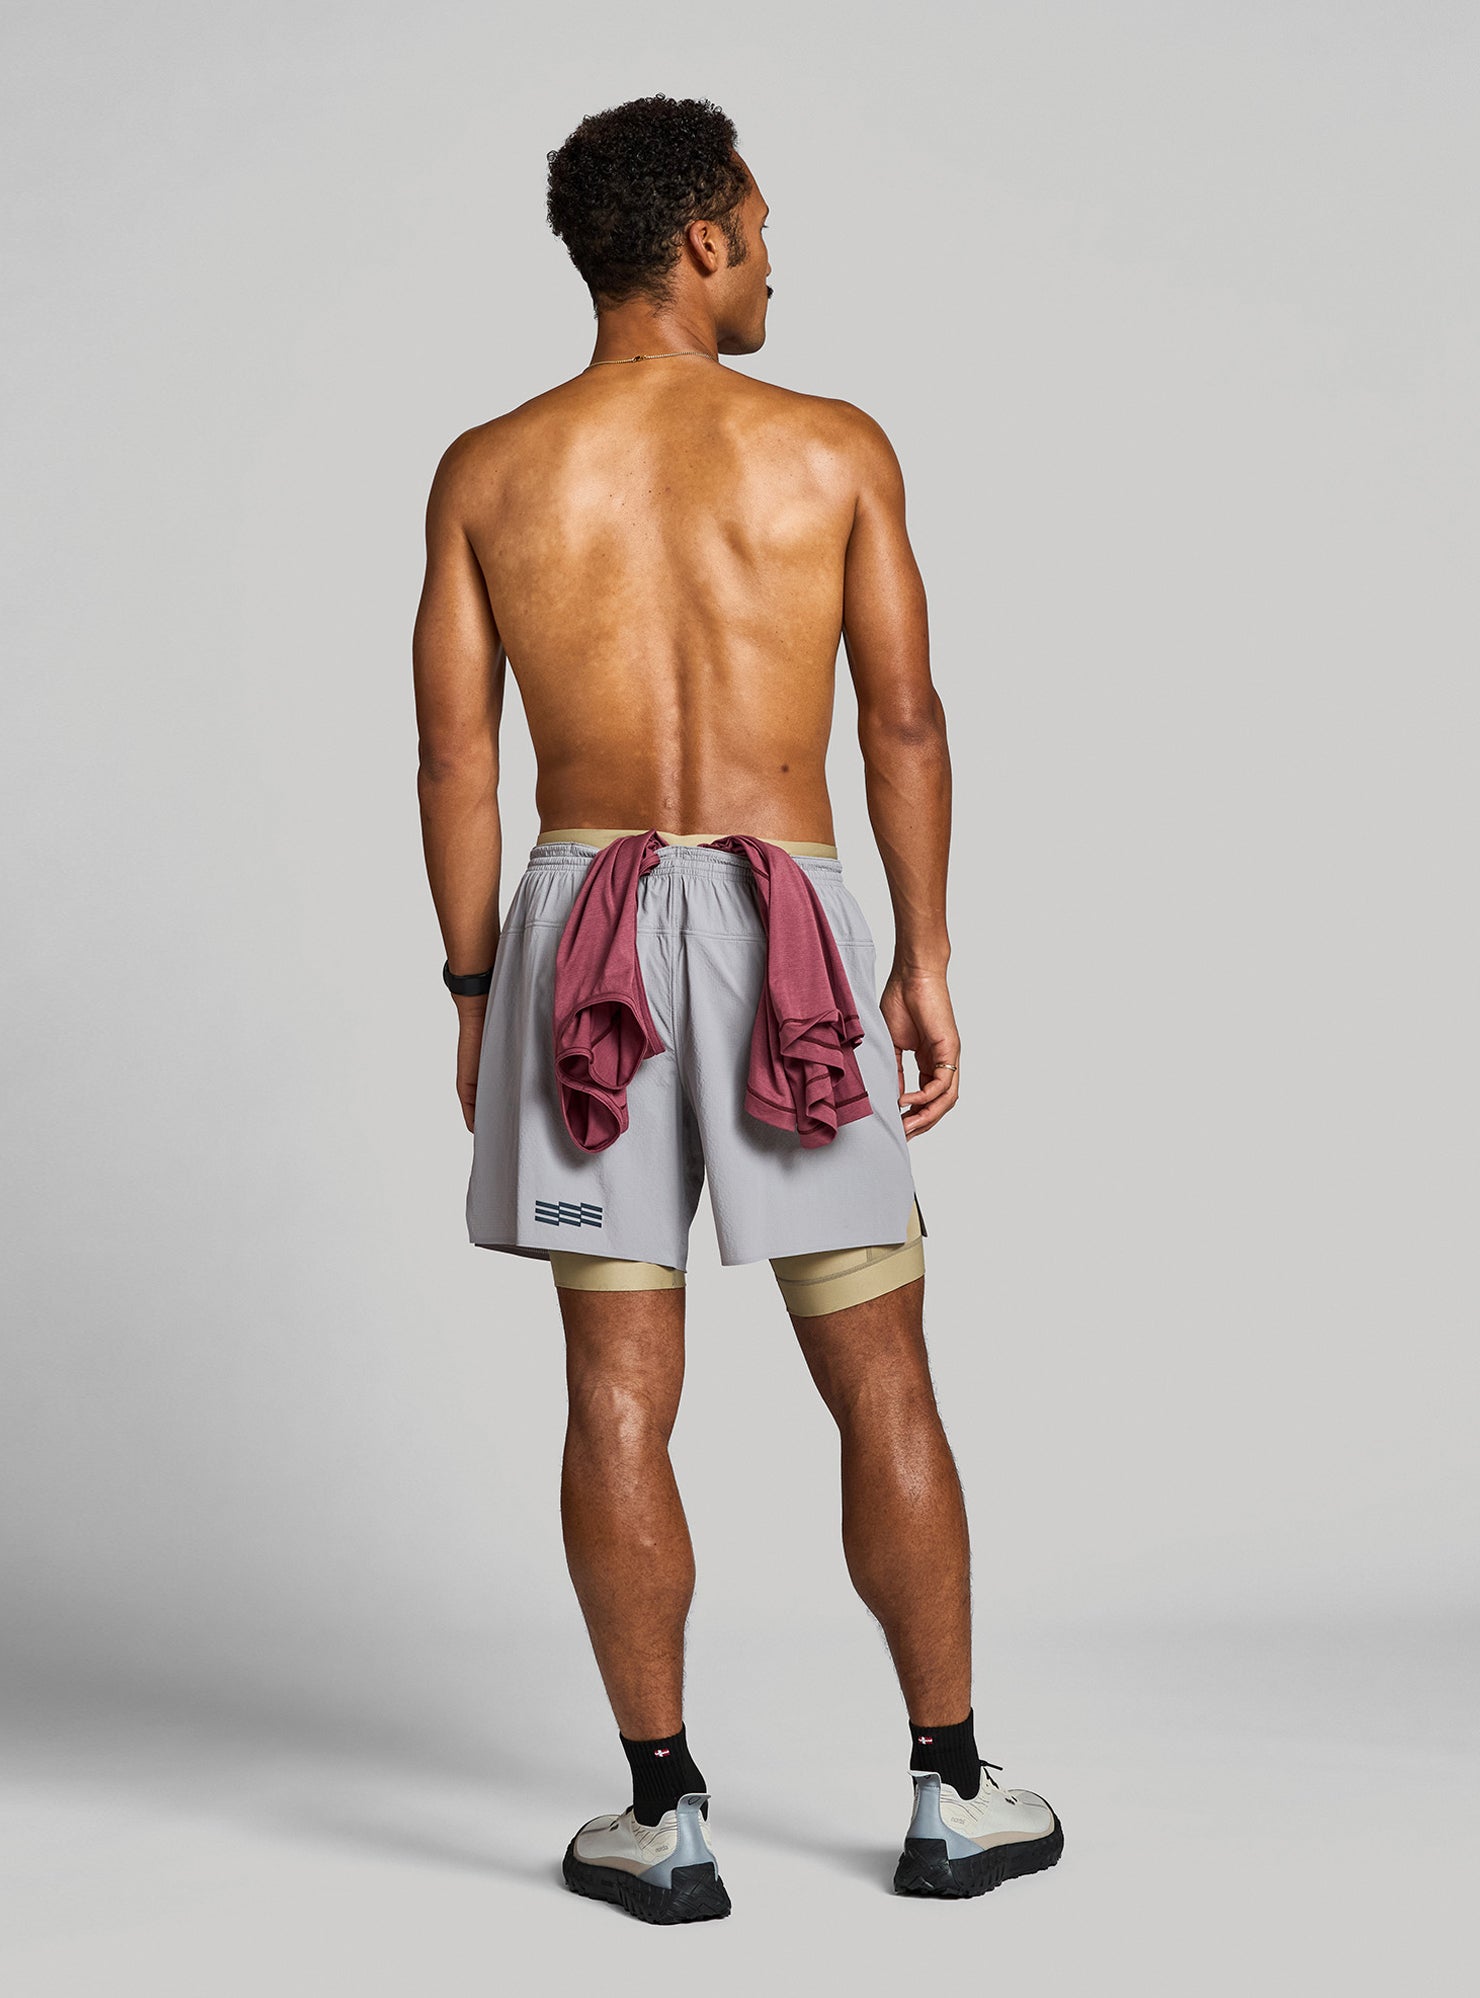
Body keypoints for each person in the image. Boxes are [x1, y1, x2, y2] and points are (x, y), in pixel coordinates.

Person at [412, 93, 1063, 1924]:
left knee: (618, 1388)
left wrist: (476, 989)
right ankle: (952, 1791)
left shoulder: (490, 468)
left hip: (583, 940)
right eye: (761, 233)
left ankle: (664, 1815)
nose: (775, 264)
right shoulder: (831, 448)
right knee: (883, 1370)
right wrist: (922, 956)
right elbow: (905, 720)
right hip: (786, 928)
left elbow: (455, 761)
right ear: (700, 240)